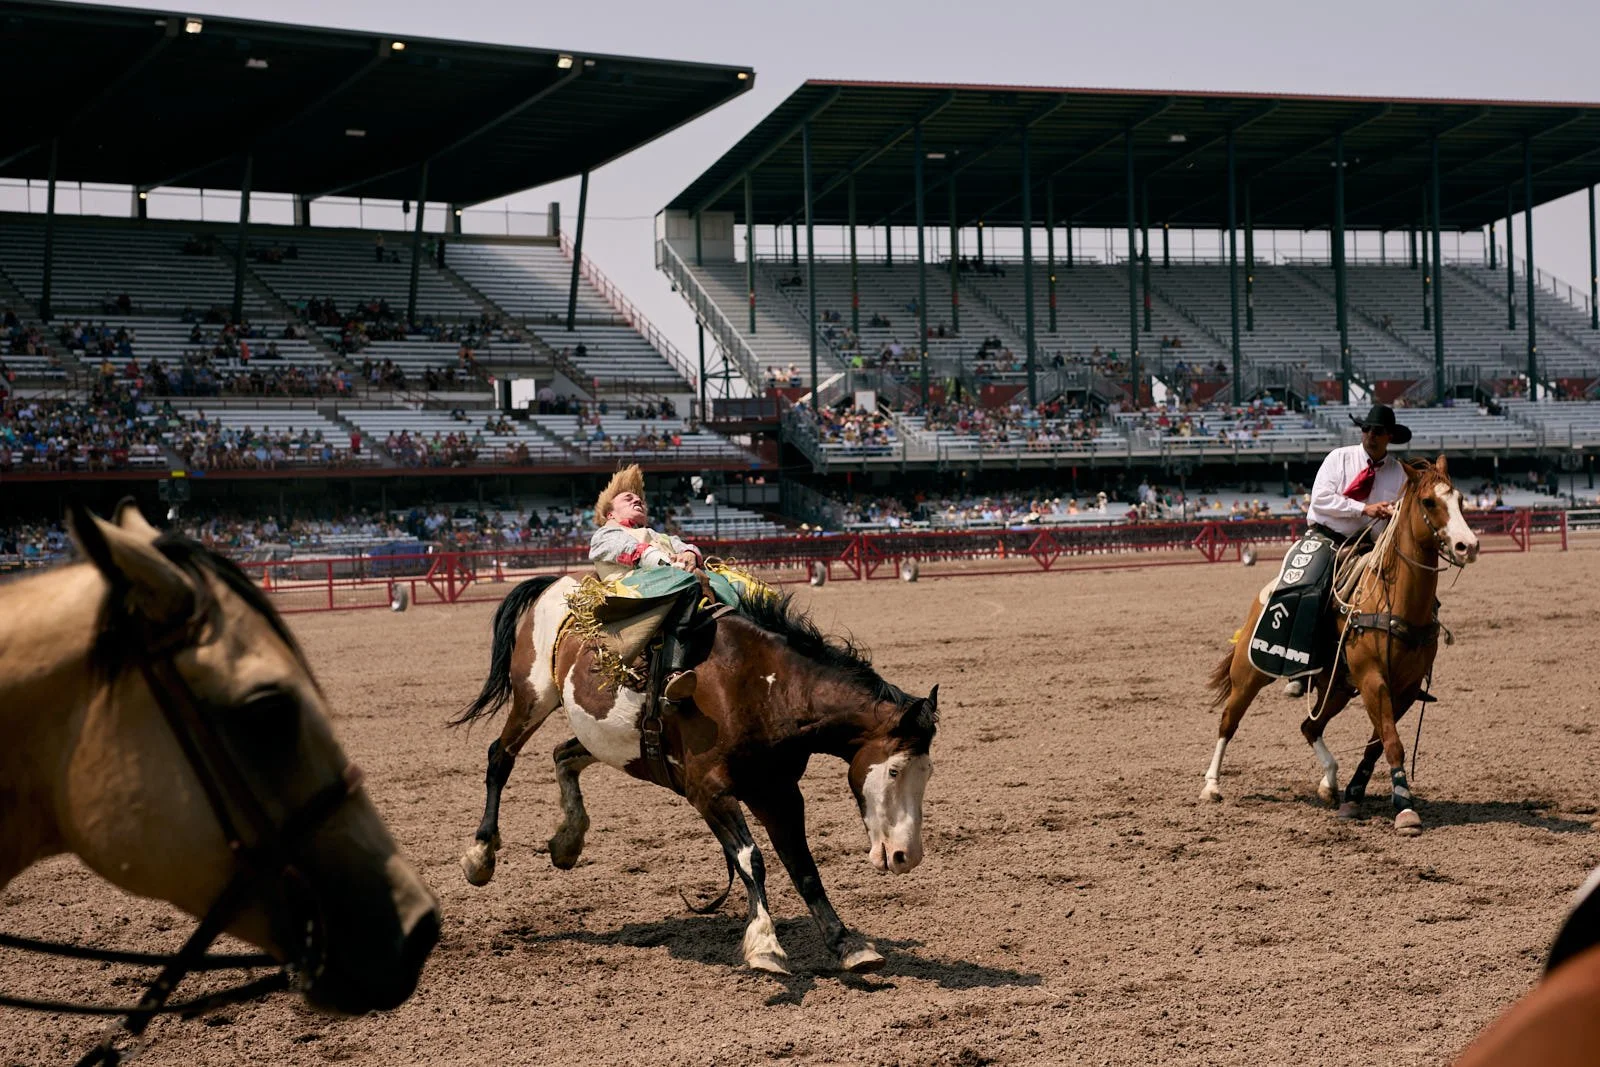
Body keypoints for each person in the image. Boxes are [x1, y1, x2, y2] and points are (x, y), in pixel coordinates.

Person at [1280, 403, 1412, 697]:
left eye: (1377, 431)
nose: (1370, 435)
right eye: (1366, 429)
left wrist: (1395, 513)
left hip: (1373, 545)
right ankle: (1301, 667)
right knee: (1312, 588)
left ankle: (1409, 668)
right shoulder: (1339, 459)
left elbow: (1405, 512)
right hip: (1329, 538)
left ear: (1389, 436)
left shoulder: (1399, 474)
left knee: (1413, 591)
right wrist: (1364, 508)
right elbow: (1321, 500)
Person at [590, 465, 703, 696]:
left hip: (669, 580)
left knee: (735, 585)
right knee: (689, 584)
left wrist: (690, 554)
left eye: (640, 499)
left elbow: (684, 546)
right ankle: (672, 671)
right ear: (610, 514)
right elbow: (635, 552)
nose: (638, 500)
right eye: (628, 498)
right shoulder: (606, 533)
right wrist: (674, 566)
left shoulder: (658, 534)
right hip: (632, 593)